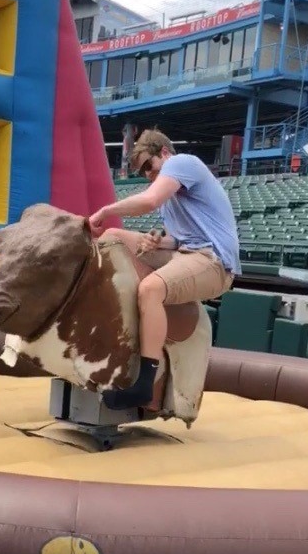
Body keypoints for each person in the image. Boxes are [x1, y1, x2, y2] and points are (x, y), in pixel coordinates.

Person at [88, 128, 241, 412]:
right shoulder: (171, 198)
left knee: (151, 289)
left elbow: (147, 201)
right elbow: (179, 240)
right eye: (142, 171)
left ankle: (144, 385)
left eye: (149, 165)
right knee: (113, 237)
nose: (148, 174)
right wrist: (156, 240)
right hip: (185, 253)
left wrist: (104, 211)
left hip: (214, 262)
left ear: (165, 153)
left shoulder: (183, 163)